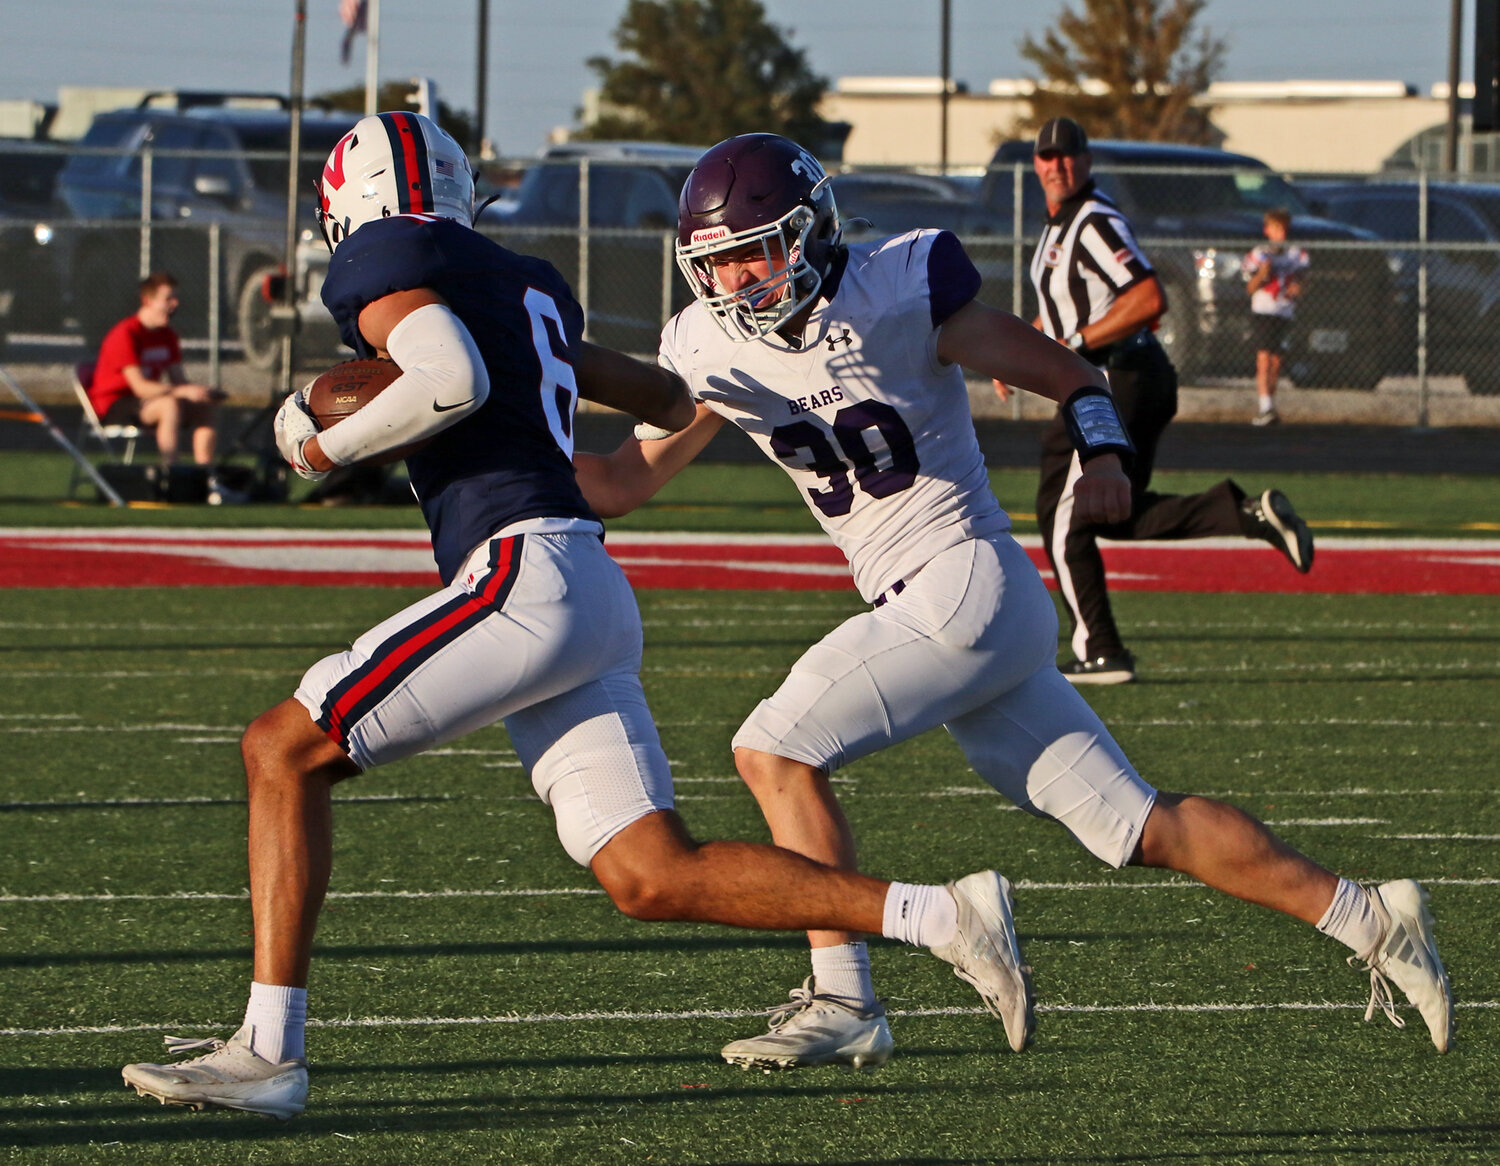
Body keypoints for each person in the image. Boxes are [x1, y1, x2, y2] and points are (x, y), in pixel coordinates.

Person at [118, 112, 1030, 1121]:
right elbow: (665, 394)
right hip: (587, 583)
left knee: (278, 750)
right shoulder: (523, 279)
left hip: (520, 575)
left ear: (352, 207)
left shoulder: (389, 255)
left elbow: (449, 379)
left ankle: (267, 1050)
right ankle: (939, 912)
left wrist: (323, 445)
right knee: (651, 872)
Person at [573, 131, 1452, 1073]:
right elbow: (622, 482)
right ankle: (1371, 916)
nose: (740, 279)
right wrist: (477, 466)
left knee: (774, 751)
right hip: (963, 611)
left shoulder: (898, 287)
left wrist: (1108, 459)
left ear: (813, 231)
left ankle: (846, 999)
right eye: (717, 262)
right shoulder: (708, 345)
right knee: (1140, 825)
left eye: (756, 249)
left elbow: (1073, 374)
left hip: (960, 581)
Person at [1004, 118, 1313, 685]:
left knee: (1065, 515)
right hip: (1114, 378)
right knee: (1110, 511)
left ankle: (1101, 650)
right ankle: (1245, 513)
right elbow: (1074, 307)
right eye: (1046, 157)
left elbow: (1147, 297)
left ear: (1086, 160)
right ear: (1036, 165)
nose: (1057, 165)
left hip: (1116, 379)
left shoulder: (1094, 219)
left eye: (1067, 155)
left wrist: (1068, 347)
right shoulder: (1058, 226)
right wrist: (1028, 344)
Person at [88, 271, 238, 501]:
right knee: (169, 405)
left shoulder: (167, 335)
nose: (175, 304)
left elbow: (179, 381)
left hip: (147, 402)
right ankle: (172, 473)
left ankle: (206, 476)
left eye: (175, 298)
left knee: (203, 407)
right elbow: (139, 387)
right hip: (116, 405)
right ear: (148, 301)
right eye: (168, 298)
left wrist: (198, 393)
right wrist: (181, 392)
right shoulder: (126, 334)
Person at [1245, 207, 1309, 426]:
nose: (1280, 234)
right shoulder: (1259, 254)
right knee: (1263, 358)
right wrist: (1263, 272)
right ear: (1267, 230)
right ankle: (1265, 406)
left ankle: (1271, 404)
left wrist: (1298, 287)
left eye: (1283, 229)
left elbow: (1302, 280)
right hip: (1263, 310)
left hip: (1284, 310)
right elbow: (1250, 288)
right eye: (1275, 229)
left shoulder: (1296, 254)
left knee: (1277, 360)